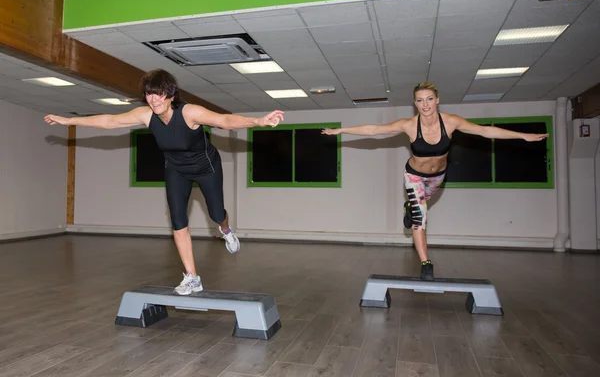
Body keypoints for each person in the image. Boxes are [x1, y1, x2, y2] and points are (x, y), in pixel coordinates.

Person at [44, 69, 284, 295]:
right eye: (149, 93)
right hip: (176, 169)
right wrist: (69, 122)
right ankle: (192, 277)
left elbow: (225, 121)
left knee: (216, 212)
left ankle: (226, 230)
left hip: (206, 167)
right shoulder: (146, 115)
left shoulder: (190, 112)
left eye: (158, 93)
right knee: (178, 222)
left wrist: (259, 121)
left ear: (170, 94)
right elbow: (110, 121)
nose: (153, 99)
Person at [322, 81, 548, 280]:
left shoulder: (450, 122)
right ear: (415, 103)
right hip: (414, 176)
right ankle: (425, 263)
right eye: (420, 100)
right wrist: (341, 130)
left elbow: (484, 131)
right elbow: (374, 129)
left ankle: (409, 208)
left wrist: (522, 135)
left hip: (437, 178)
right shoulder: (410, 125)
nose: (425, 104)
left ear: (437, 100)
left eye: (429, 99)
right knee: (421, 217)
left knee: (418, 207)